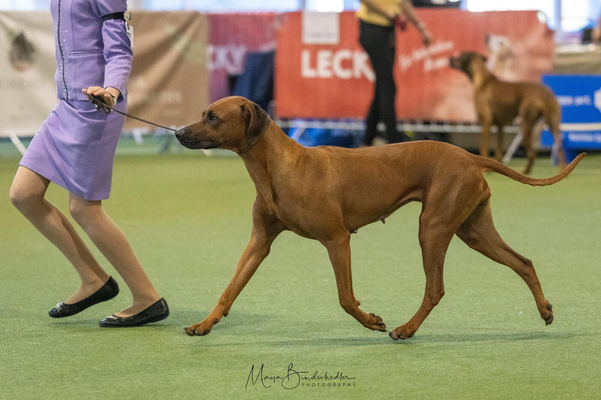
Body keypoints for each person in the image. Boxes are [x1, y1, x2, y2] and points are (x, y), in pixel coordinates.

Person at [9, 0, 168, 327]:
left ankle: (147, 298)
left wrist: (111, 90)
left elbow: (121, 50)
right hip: (66, 105)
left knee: (84, 207)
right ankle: (93, 280)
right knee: (23, 194)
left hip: (96, 107)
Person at [357, 0, 433, 146]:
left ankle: (367, 141)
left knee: (382, 87)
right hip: (372, 28)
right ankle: (394, 142)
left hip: (388, 30)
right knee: (388, 87)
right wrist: (390, 15)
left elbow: (403, 3)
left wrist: (422, 28)